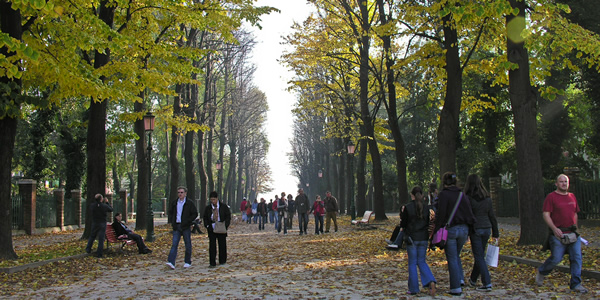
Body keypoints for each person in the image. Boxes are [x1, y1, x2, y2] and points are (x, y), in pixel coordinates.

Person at [535, 174, 588, 293]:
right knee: (556, 258)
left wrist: (576, 228)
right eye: (561, 182)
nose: (564, 184)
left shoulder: (572, 196)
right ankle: (542, 271)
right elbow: (546, 214)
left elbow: (575, 213)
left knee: (576, 258)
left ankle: (576, 284)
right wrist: (554, 228)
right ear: (556, 184)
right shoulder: (551, 197)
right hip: (558, 234)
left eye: (566, 181)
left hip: (573, 234)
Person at [433, 172, 475, 296]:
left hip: (450, 229)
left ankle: (456, 287)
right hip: (464, 229)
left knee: (451, 258)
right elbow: (469, 212)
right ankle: (460, 278)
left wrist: (437, 229)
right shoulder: (462, 195)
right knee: (456, 255)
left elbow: (441, 214)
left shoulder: (444, 195)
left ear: (444, 182)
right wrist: (470, 230)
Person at [463, 174, 499, 291]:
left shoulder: (468, 198)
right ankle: (473, 280)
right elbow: (492, 216)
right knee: (480, 256)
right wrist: (496, 233)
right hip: (487, 228)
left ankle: (487, 282)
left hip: (476, 229)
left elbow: (468, 217)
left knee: (479, 257)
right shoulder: (487, 198)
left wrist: (467, 232)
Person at [401, 186, 437, 296]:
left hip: (412, 238)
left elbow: (403, 224)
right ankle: (430, 280)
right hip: (423, 238)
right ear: (421, 195)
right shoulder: (427, 208)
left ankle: (414, 289)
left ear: (411, 195)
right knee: (421, 261)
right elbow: (429, 222)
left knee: (412, 263)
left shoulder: (408, 207)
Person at [166, 186, 198, 269]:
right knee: (174, 244)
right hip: (177, 226)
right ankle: (171, 262)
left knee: (187, 244)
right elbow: (170, 212)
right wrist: (173, 221)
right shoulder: (174, 203)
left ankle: (187, 262)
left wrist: (188, 221)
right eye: (178, 192)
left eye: (181, 192)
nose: (180, 194)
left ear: (185, 193)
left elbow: (195, 213)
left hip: (185, 226)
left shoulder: (189, 203)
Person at [203, 191, 231, 267]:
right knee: (212, 245)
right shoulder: (208, 208)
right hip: (212, 228)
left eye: (214, 199)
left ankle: (222, 260)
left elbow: (228, 216)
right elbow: (205, 217)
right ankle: (212, 262)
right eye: (211, 200)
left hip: (221, 227)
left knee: (222, 244)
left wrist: (225, 225)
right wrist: (207, 226)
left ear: (217, 198)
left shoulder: (223, 207)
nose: (213, 201)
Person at [85, 194, 113, 258]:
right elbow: (111, 209)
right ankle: (99, 253)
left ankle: (88, 248)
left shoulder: (92, 206)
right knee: (101, 238)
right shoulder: (104, 206)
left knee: (92, 236)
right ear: (101, 199)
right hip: (102, 223)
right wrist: (107, 202)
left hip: (95, 222)